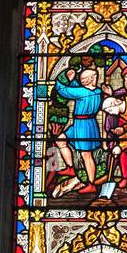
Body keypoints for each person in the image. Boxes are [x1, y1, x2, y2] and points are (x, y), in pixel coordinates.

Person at [52, 65, 103, 195]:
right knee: (60, 140)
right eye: (83, 78)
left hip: (84, 126)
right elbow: (77, 89)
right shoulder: (96, 91)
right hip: (81, 124)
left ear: (89, 80)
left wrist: (56, 81)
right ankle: (70, 168)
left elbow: (64, 91)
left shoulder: (84, 93)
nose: (95, 78)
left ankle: (91, 184)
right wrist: (73, 79)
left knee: (86, 155)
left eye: (86, 78)